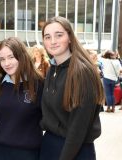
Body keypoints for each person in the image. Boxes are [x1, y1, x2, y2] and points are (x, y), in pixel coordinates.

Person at [40, 16, 104, 160]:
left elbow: (78, 128)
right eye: (47, 37)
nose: (53, 41)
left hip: (74, 149)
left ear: (70, 37)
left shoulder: (82, 72)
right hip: (50, 144)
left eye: (59, 35)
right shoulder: (52, 69)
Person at [0, 37, 44, 160]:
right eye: (2, 59)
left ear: (21, 56)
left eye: (11, 57)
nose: (7, 63)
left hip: (28, 153)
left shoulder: (39, 84)